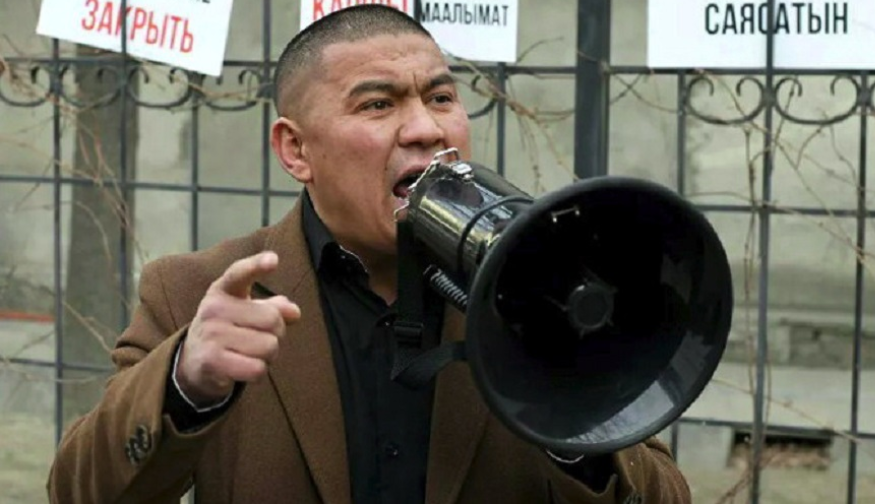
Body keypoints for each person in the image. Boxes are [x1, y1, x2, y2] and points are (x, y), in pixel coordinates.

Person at [46, 5, 691, 503]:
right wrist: (186, 383)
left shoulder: (544, 285)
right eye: (378, 104)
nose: (427, 128)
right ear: (296, 150)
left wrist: (571, 413)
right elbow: (79, 493)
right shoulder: (195, 293)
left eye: (441, 98)